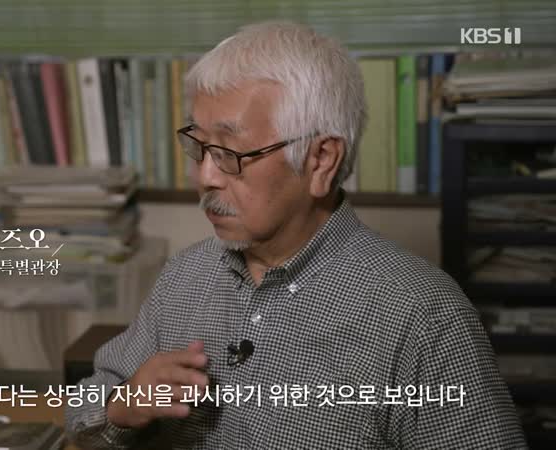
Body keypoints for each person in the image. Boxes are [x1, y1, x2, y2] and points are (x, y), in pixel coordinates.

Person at [65, 21, 526, 449]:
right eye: (198, 145)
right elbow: (84, 404)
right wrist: (122, 408)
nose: (204, 176)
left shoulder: (422, 316)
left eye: (229, 152)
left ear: (321, 160)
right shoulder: (186, 276)